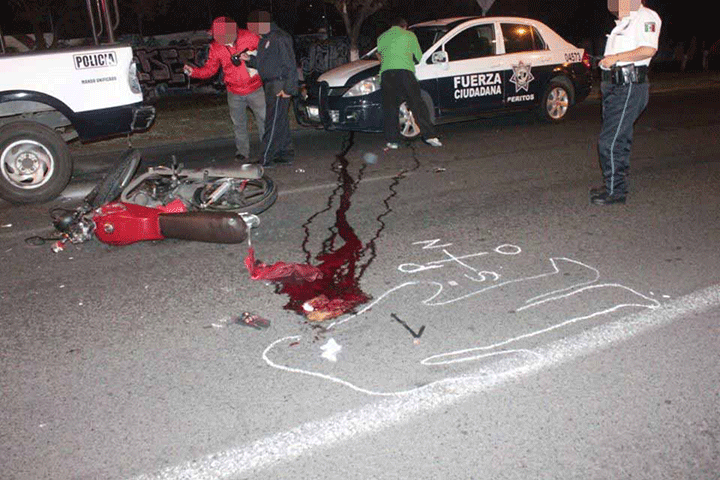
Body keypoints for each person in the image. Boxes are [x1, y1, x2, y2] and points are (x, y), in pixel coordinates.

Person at [590, 0, 661, 205]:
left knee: (610, 141)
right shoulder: (623, 21)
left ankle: (616, 192)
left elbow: (648, 49)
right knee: (617, 138)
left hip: (629, 85)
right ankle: (612, 184)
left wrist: (615, 58)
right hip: (614, 86)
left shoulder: (646, 16)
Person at [183, 17, 265, 162]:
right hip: (234, 91)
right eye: (215, 35)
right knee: (238, 124)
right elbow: (210, 69)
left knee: (264, 120)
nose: (217, 38)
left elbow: (268, 54)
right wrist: (194, 72)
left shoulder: (250, 37)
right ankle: (242, 152)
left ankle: (268, 149)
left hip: (255, 88)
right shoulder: (216, 47)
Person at [243, 10, 298, 167]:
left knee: (272, 121)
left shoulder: (279, 37)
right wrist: (249, 59)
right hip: (269, 84)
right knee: (280, 120)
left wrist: (288, 88)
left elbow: (290, 64)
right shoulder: (265, 39)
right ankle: (284, 153)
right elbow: (266, 64)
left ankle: (266, 157)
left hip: (279, 84)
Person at [376, 17, 442, 150]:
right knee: (417, 104)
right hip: (404, 73)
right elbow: (419, 56)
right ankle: (430, 136)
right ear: (405, 26)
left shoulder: (382, 37)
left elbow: (380, 55)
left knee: (390, 108)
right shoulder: (409, 35)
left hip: (387, 75)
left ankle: (392, 141)